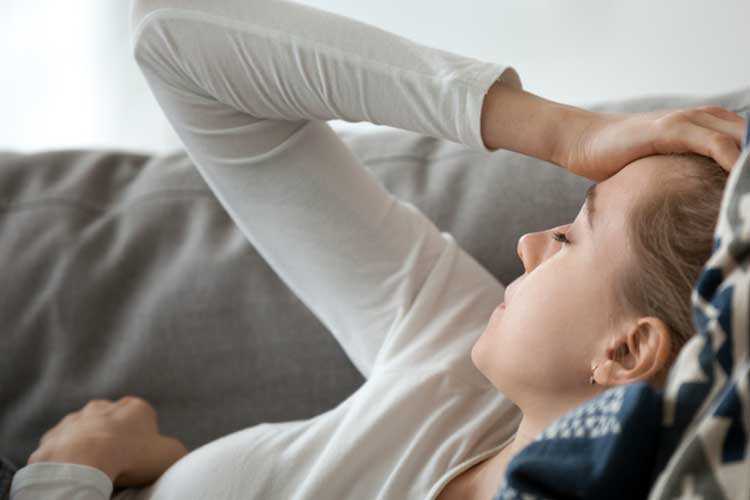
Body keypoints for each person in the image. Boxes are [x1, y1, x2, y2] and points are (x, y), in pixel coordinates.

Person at [8, 1, 747, 499]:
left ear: (625, 351)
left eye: (569, 236)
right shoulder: (449, 357)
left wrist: (69, 472)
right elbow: (172, 36)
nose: (526, 244)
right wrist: (564, 132)